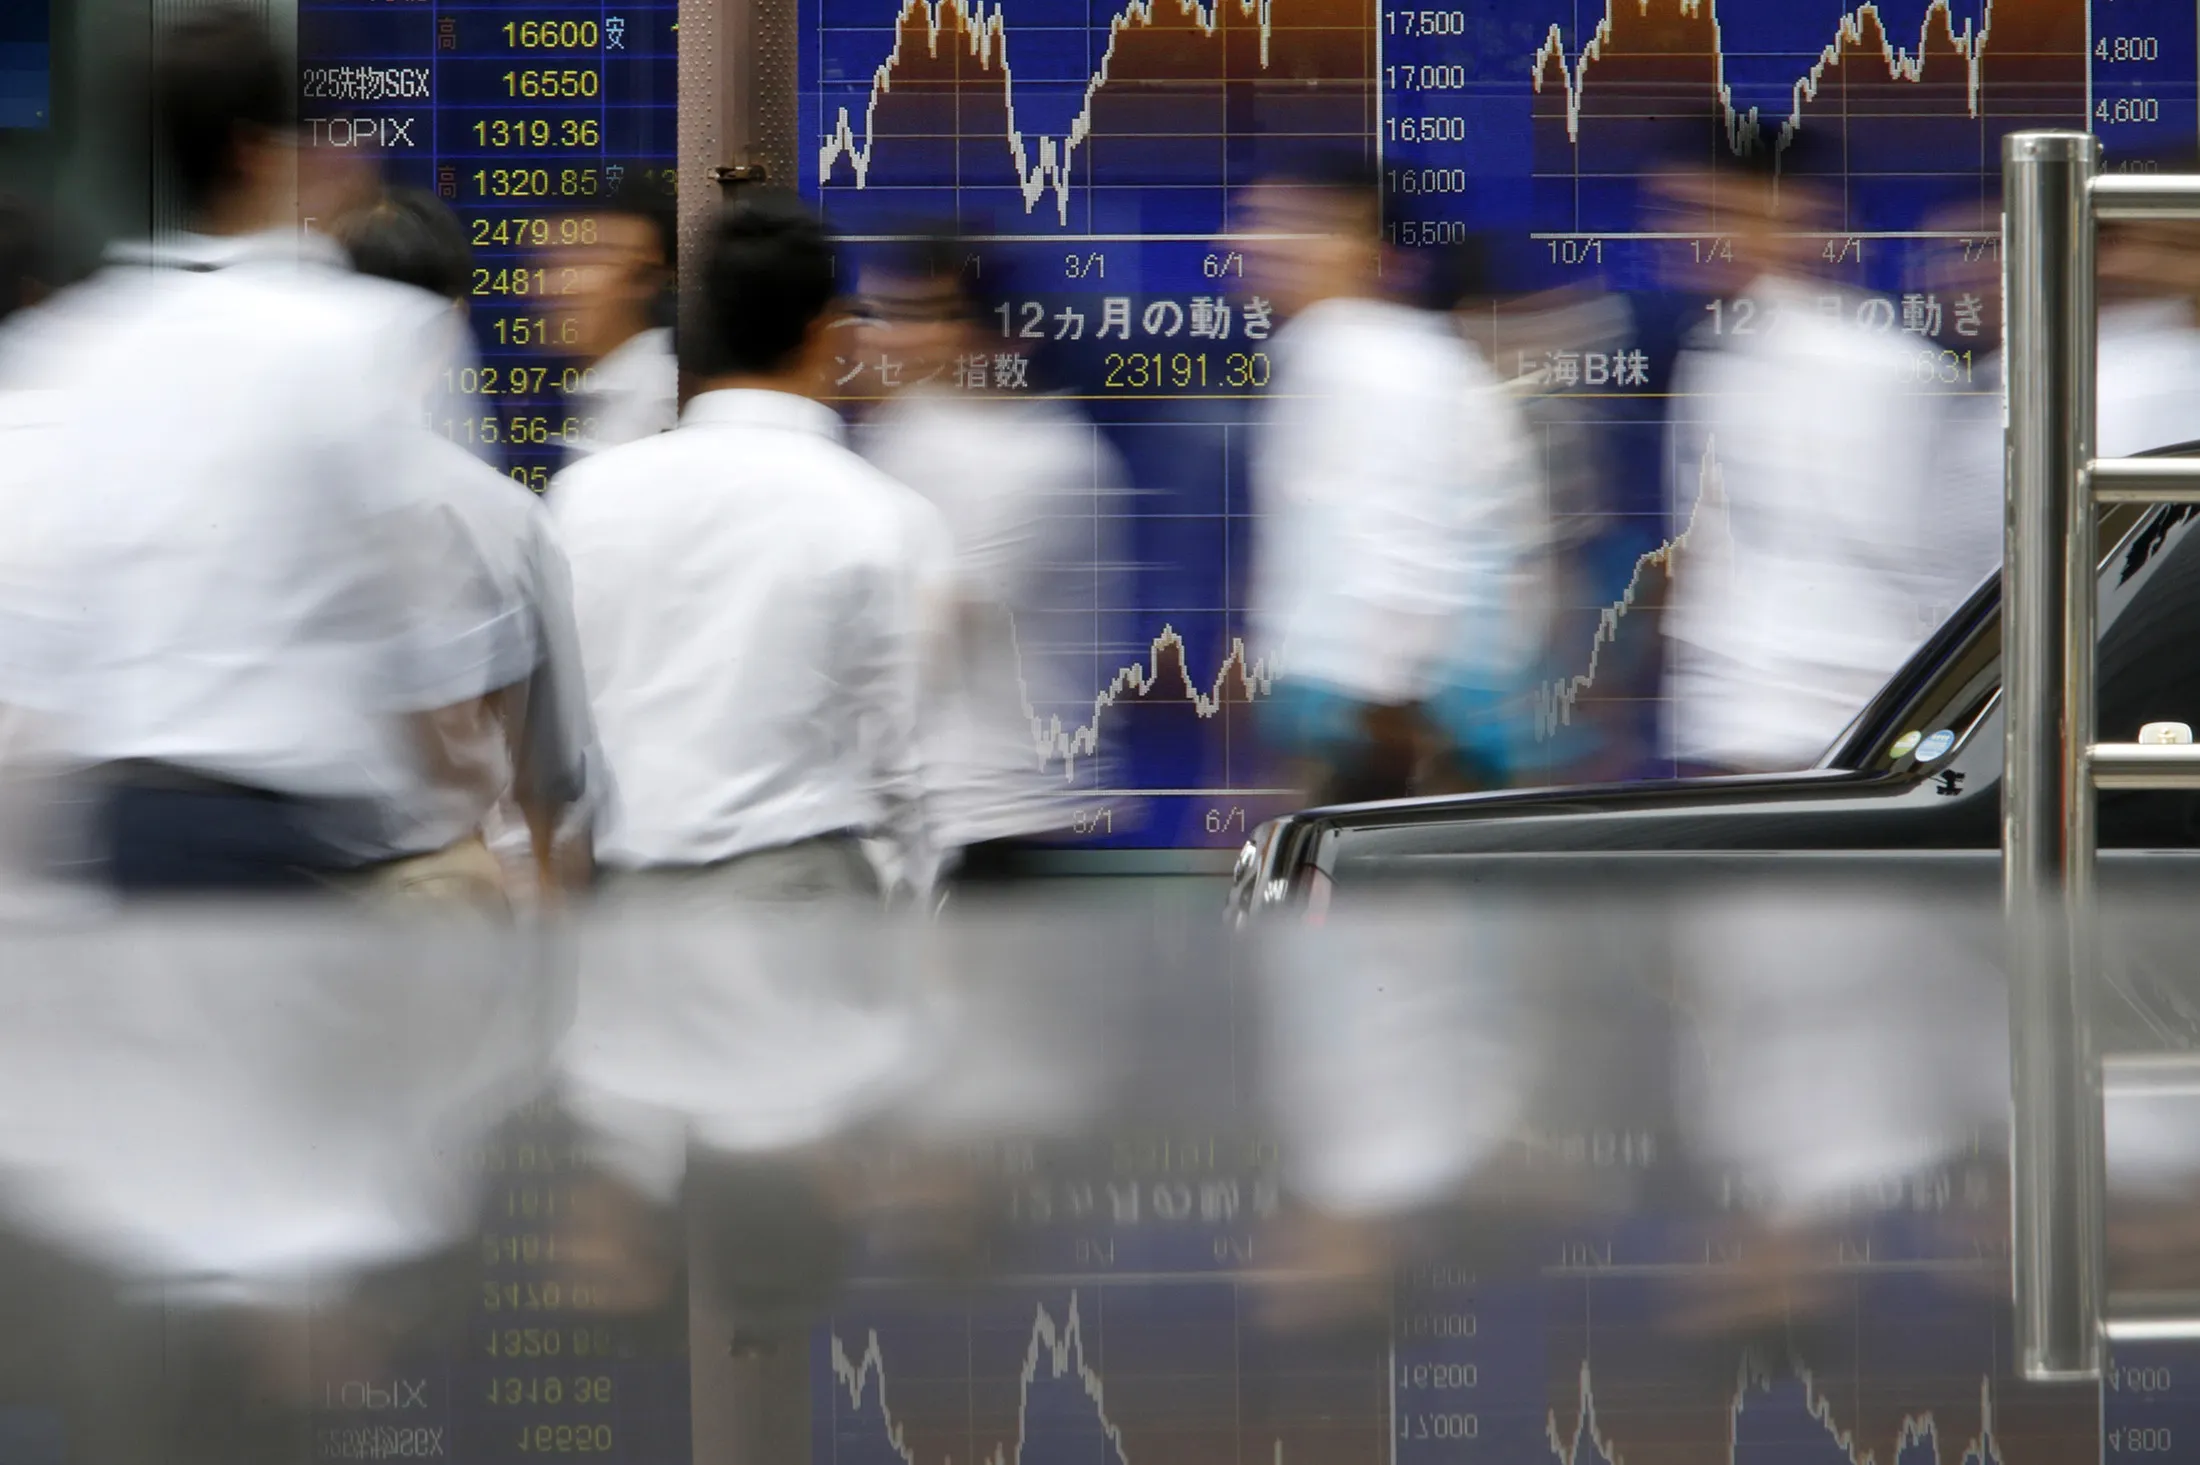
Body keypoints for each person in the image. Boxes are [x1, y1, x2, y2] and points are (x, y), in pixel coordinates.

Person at [0, 8, 520, 893]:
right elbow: (427, 630)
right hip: (286, 830)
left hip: (123, 828)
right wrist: (467, 806)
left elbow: (39, 654)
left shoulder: (75, 344)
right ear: (257, 151)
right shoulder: (372, 338)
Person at [550, 191, 942, 903]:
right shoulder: (881, 515)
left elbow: (551, 725)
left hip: (624, 898)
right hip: (799, 895)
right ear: (831, 334)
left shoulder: (588, 497)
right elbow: (900, 763)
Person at [1238, 156, 1535, 805]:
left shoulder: (1367, 365)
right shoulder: (1359, 355)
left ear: (1360, 243)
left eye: (1289, 224)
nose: (1250, 244)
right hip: (1373, 716)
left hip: (1378, 724)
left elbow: (1400, 556)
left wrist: (1381, 719)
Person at [333, 187, 602, 901]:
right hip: (436, 886)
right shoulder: (498, 512)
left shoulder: (258, 490)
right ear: (451, 321)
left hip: (272, 887)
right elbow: (547, 760)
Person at [1659, 139, 1941, 776]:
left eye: (1708, 211)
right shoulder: (1715, 351)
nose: (1681, 234)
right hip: (1740, 712)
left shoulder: (1876, 366)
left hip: (1832, 718)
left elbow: (1907, 551)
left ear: (1790, 216)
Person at [855, 228, 1122, 888]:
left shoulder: (1050, 459)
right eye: (879, 314)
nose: (886, 338)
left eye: (915, 317)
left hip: (1006, 816)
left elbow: (933, 624)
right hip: (911, 812)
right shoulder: (899, 429)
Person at [545, 177, 679, 458]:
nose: (559, 285)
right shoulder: (594, 394)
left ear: (647, 277)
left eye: (586, 259)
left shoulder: (667, 401)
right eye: (550, 263)